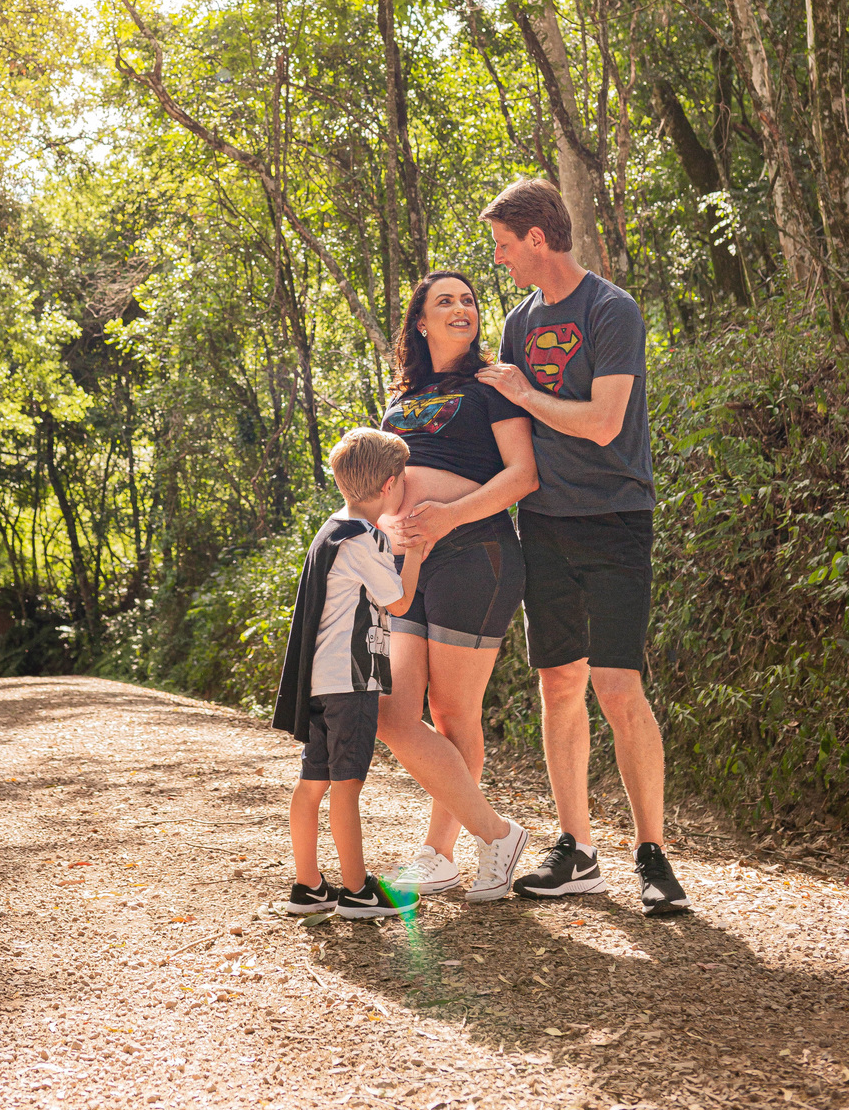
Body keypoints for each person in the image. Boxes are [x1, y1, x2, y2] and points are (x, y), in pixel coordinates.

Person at [473, 177, 688, 915]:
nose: (500, 260)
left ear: (538, 239)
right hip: (545, 524)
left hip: (618, 517)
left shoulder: (611, 309)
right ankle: (577, 850)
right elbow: (508, 437)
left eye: (506, 246)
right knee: (559, 682)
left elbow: (602, 422)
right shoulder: (516, 325)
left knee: (618, 685)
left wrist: (527, 394)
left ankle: (653, 856)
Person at [272, 427, 529, 915]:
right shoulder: (364, 540)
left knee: (311, 786)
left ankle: (308, 885)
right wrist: (414, 555)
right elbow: (400, 600)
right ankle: (357, 890)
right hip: (349, 684)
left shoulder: (329, 530)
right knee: (347, 787)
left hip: (319, 683)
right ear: (392, 486)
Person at [372, 271, 537, 899]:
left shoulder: (491, 386)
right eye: (445, 301)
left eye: (468, 300)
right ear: (420, 321)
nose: (461, 308)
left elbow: (522, 476)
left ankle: (442, 852)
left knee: (453, 714)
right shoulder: (399, 399)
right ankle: (493, 833)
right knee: (394, 713)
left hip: (478, 554)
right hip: (411, 563)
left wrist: (446, 517)